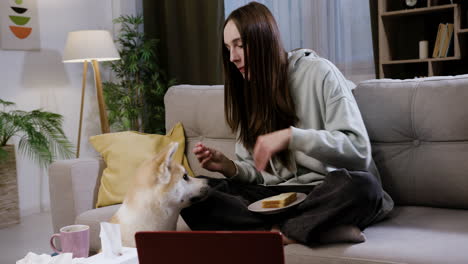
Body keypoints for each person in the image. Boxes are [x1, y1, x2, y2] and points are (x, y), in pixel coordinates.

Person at [181, 2, 393, 245]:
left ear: (264, 39)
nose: (233, 57)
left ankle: (274, 231)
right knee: (189, 193)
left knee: (364, 188)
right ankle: (308, 230)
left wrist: (292, 136)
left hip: (321, 190)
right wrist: (230, 167)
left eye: (240, 45)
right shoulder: (249, 93)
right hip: (275, 197)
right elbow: (259, 177)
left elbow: (359, 152)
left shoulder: (320, 73)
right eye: (228, 48)